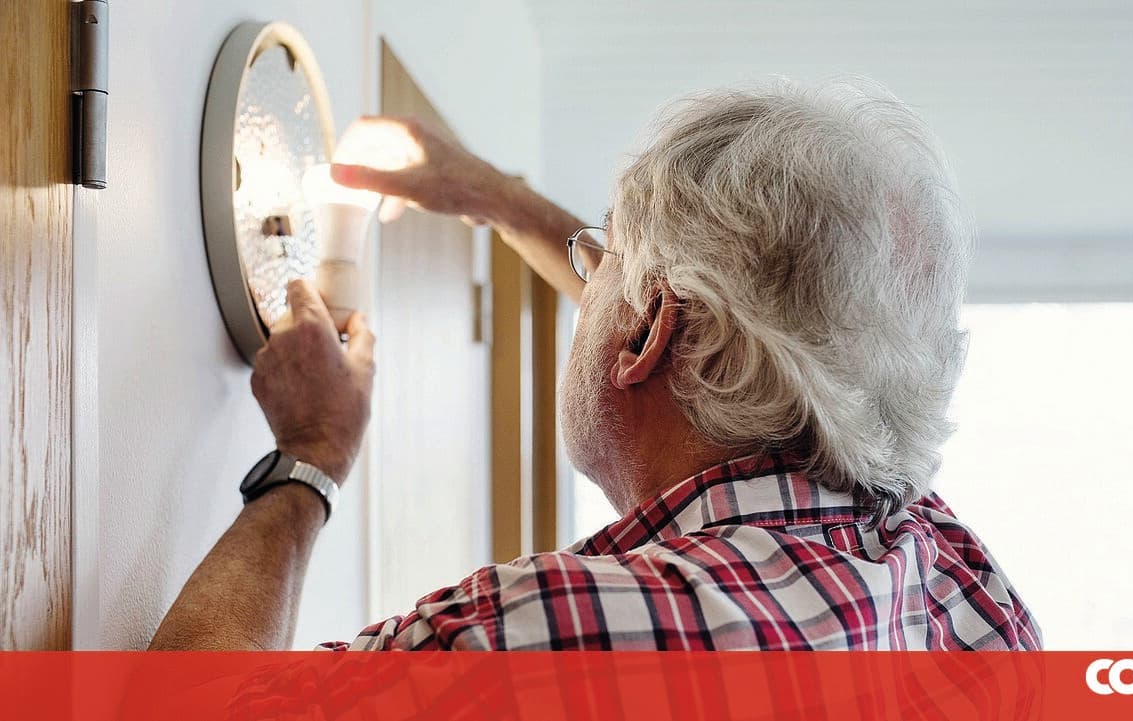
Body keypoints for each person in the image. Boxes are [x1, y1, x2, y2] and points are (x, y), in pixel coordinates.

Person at [150, 79, 1041, 651]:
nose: (588, 273)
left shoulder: (546, 632)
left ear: (648, 328)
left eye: (600, 255)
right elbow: (734, 333)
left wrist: (310, 452)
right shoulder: (953, 577)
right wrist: (498, 200)